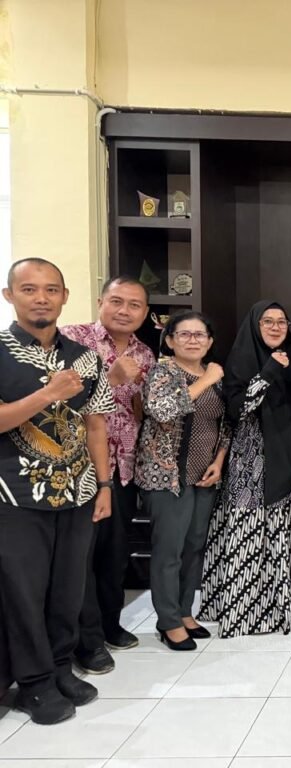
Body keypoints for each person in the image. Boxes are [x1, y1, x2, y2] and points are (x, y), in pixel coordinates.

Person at [0, 258, 114, 724]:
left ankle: (60, 667)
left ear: (65, 296)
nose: (41, 298)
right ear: (9, 295)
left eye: (51, 289)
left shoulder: (85, 357)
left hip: (78, 490)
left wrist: (103, 484)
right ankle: (34, 683)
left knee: (68, 589)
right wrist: (47, 394)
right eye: (29, 289)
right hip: (15, 494)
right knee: (23, 592)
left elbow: (96, 424)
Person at [200, 302, 291, 637]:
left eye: (282, 321)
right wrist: (268, 371)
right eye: (268, 321)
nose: (276, 327)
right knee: (248, 533)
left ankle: (288, 605)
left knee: (283, 531)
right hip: (248, 462)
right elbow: (238, 409)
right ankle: (245, 612)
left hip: (287, 458)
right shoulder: (240, 360)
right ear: (255, 325)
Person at [61, 276, 155, 674]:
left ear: (145, 312)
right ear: (100, 302)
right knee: (80, 557)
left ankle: (109, 625)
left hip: (124, 468)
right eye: (117, 301)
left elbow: (139, 412)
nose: (124, 310)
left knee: (115, 553)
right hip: (78, 468)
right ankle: (86, 641)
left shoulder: (145, 353)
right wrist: (111, 380)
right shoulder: (72, 340)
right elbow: (57, 403)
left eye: (134, 305)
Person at [135, 311, 229, 651]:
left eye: (199, 334)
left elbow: (225, 423)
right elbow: (161, 410)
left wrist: (218, 461)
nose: (193, 340)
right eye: (184, 334)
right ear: (170, 340)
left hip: (204, 475)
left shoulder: (216, 375)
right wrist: (206, 380)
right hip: (167, 477)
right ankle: (168, 621)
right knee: (169, 550)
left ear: (210, 341)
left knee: (194, 547)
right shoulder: (163, 371)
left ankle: (185, 612)